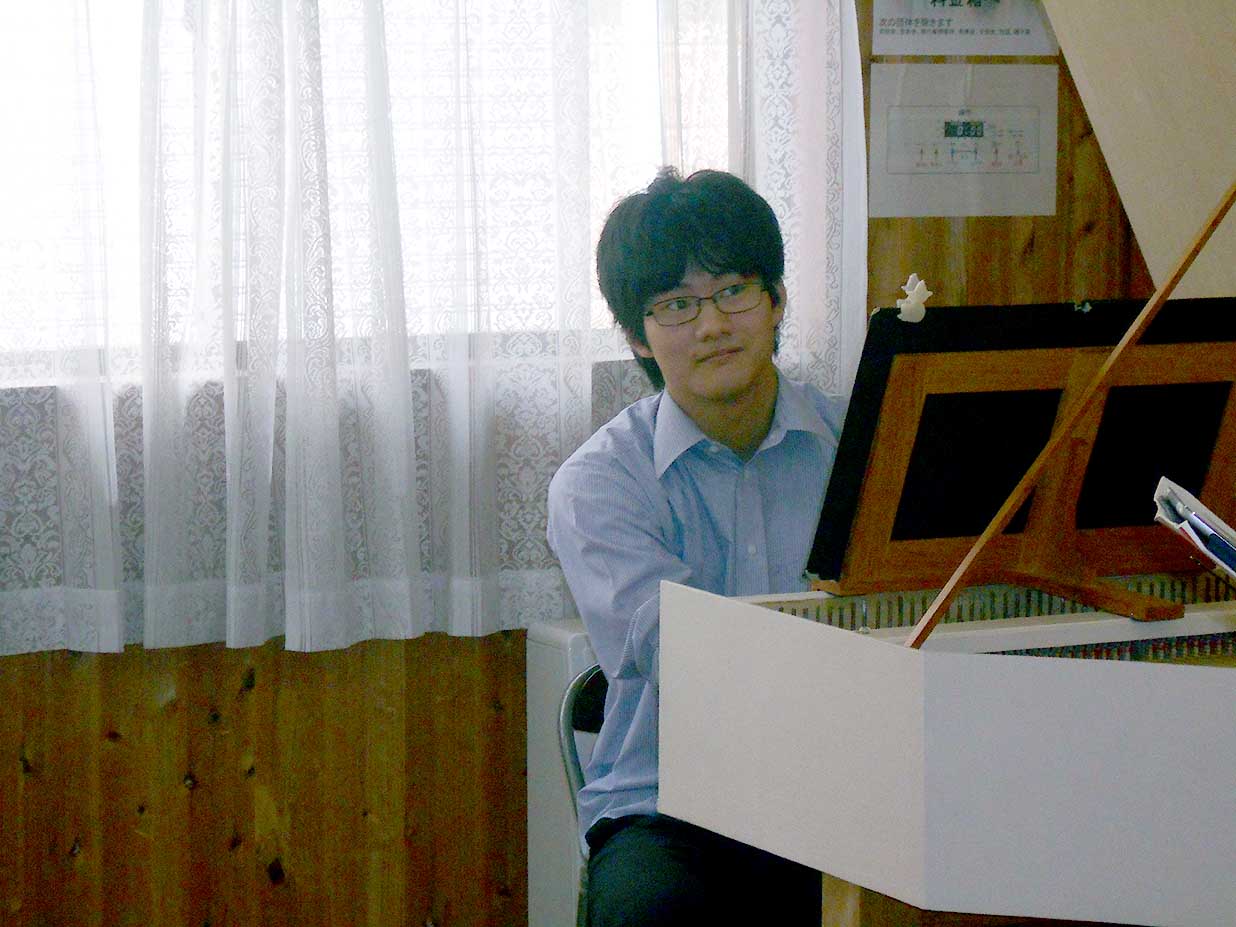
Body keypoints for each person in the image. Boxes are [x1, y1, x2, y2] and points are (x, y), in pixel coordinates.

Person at [546, 167, 848, 926]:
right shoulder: (598, 484)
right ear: (636, 334)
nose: (712, 325)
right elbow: (694, 659)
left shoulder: (863, 444)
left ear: (777, 300)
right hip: (671, 805)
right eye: (676, 304)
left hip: (851, 786)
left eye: (734, 291)